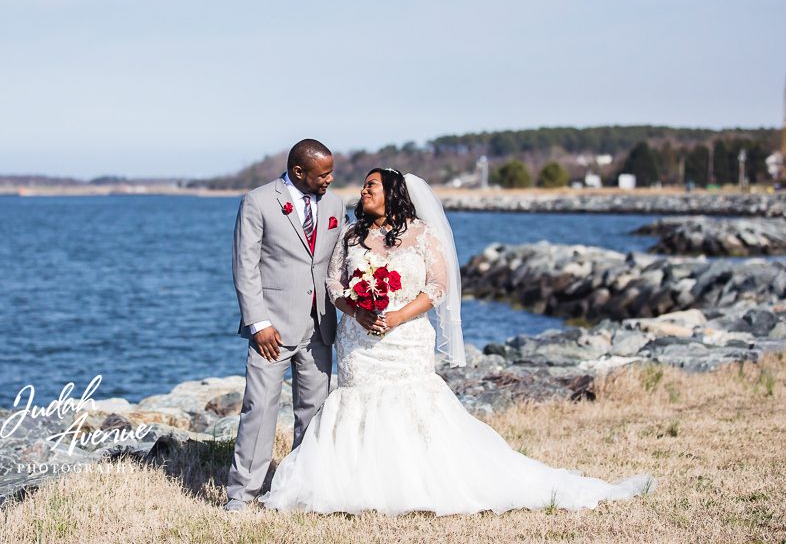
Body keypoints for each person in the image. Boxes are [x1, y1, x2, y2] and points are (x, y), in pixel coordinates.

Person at [259, 167, 654, 515]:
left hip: (406, 336)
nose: (364, 192)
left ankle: (416, 482)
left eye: (372, 186)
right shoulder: (350, 233)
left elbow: (438, 286)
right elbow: (333, 283)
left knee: (411, 403)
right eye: (364, 186)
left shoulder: (422, 235)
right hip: (357, 339)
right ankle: (352, 482)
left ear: (394, 194)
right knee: (356, 401)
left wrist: (397, 314)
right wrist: (356, 309)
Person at [225, 139, 346, 512]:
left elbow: (340, 257)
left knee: (314, 410)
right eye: (323, 174)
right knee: (259, 408)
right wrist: (258, 322)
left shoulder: (335, 205)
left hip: (320, 325)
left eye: (331, 173)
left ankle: (301, 488)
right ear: (298, 172)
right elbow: (245, 267)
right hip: (271, 328)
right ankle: (242, 494)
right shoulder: (258, 202)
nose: (329, 180)